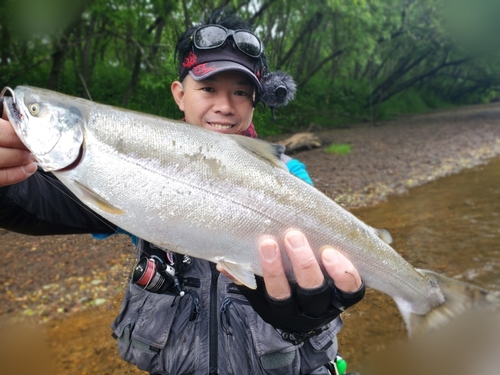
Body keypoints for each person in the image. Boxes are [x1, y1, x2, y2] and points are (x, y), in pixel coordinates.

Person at [0, 10, 364, 375]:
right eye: (208, 88)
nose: (224, 105)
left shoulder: (290, 174)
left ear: (255, 102)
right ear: (179, 94)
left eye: (240, 92)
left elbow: (326, 261)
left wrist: (305, 317)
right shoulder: (124, 166)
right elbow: (39, 205)